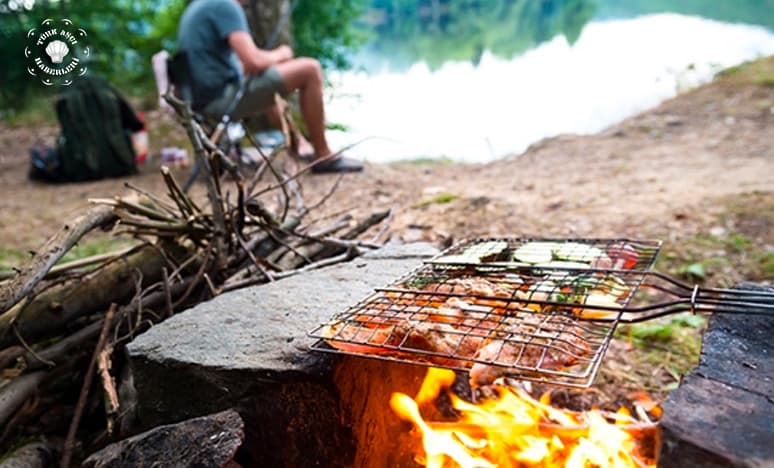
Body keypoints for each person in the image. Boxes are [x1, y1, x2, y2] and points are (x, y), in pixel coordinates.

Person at [177, 0, 362, 173]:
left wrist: (268, 63)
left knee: (264, 79)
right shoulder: (225, 6)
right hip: (220, 100)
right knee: (310, 69)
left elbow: (235, 67)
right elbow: (254, 62)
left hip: (200, 100)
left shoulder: (200, 5)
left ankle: (299, 144)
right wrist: (282, 53)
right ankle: (323, 156)